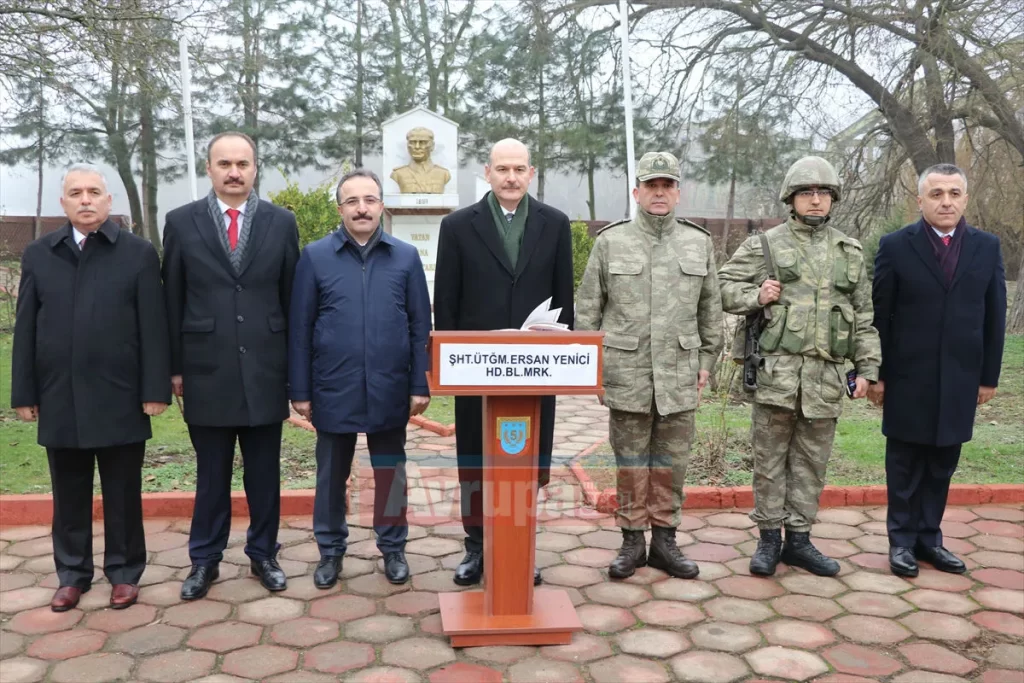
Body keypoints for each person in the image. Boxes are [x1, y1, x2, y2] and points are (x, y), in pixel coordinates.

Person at [11, 164, 171, 612]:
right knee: (69, 490)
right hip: (60, 394)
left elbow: (153, 328)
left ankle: (123, 573)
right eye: (76, 193)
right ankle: (72, 574)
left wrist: (154, 388)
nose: (85, 200)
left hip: (120, 394)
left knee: (123, 491)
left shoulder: (137, 254)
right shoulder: (41, 254)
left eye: (94, 192)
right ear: (63, 203)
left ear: (108, 201)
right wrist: (24, 392)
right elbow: (25, 328)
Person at [718, 156, 881, 577]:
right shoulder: (766, 245)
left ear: (833, 199)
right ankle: (769, 540)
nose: (815, 200)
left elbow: (863, 315)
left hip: (826, 377)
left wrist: (867, 369)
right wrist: (757, 295)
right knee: (769, 460)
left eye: (822, 193)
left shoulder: (850, 250)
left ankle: (800, 541)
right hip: (776, 374)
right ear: (791, 198)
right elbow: (720, 287)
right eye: (806, 193)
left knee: (812, 461)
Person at [162, 131, 300, 600]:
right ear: (209, 168)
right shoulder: (181, 222)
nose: (234, 172)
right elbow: (172, 299)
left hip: (266, 368)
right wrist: (175, 369)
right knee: (212, 474)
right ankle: (204, 561)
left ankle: (264, 553)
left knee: (264, 473)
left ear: (255, 167)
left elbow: (292, 301)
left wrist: (293, 371)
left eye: (243, 163)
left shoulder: (282, 223)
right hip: (207, 370)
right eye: (225, 164)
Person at [433, 138, 574, 586]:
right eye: (502, 169)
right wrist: (448, 362)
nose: (511, 177)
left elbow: (564, 300)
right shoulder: (458, 226)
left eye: (519, 169)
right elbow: (447, 303)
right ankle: (476, 547)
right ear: (487, 173)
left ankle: (518, 545)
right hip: (477, 368)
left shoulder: (555, 224)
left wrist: (561, 355)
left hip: (534, 369)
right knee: (476, 459)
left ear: (531, 173)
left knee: (526, 458)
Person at [575, 152, 723, 580]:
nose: (660, 193)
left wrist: (707, 360)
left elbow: (710, 309)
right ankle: (631, 542)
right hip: (627, 371)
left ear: (679, 192)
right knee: (631, 462)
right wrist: (593, 368)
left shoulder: (698, 242)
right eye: (651, 185)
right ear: (636, 191)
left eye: (668, 185)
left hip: (679, 370)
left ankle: (664, 541)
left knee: (672, 461)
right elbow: (588, 310)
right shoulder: (611, 241)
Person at [288, 169, 432, 588]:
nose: (362, 208)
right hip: (333, 386)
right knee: (331, 475)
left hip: (389, 386)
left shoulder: (404, 257)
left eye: (369, 200)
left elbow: (420, 325)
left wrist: (419, 384)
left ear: (382, 205)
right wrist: (300, 390)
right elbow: (301, 327)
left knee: (391, 472)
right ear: (340, 209)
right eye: (352, 201)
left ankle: (393, 549)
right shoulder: (315, 257)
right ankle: (330, 552)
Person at [870, 163, 1006, 578]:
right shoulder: (895, 246)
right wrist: (877, 373)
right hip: (908, 376)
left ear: (965, 198)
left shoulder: (986, 246)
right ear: (921, 200)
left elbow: (995, 314)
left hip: (962, 377)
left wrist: (988, 376)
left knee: (943, 461)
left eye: (953, 193)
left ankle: (930, 539)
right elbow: (881, 315)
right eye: (936, 194)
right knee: (905, 463)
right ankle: (901, 543)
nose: (946, 201)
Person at [390, 127, 452, 194]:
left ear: (432, 146)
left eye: (422, 142)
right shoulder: (398, 174)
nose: (417, 147)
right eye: (412, 142)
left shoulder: (444, 174)